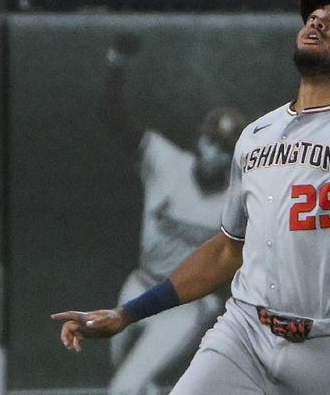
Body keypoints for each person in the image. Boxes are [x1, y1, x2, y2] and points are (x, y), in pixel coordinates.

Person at [52, 0, 330, 395]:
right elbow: (224, 252)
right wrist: (126, 313)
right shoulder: (256, 135)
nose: (319, 21)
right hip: (247, 331)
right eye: (314, 17)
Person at [99, 37, 247, 395]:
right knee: (138, 384)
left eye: (222, 148)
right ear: (199, 139)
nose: (212, 152)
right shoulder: (165, 162)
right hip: (138, 286)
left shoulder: (241, 196)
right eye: (210, 141)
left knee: (124, 388)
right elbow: (115, 119)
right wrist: (115, 65)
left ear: (233, 157)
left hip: (183, 305)